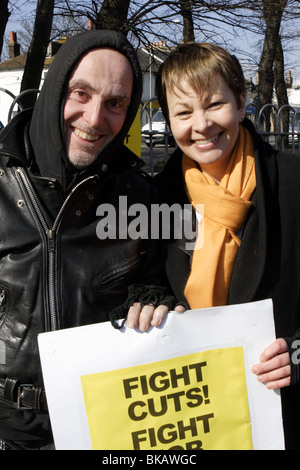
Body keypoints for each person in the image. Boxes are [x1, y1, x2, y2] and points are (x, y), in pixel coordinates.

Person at [0, 30, 175, 450]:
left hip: (103, 431)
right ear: (55, 89)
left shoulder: (142, 198)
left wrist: (157, 301)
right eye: (81, 93)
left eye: (115, 103)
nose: (96, 119)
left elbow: (176, 283)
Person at [154, 42, 300, 450]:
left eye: (214, 104)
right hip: (188, 420)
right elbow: (145, 280)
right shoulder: (157, 196)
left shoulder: (292, 184)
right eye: (183, 112)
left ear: (241, 100)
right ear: (169, 121)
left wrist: (297, 353)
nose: (200, 125)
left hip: (279, 417)